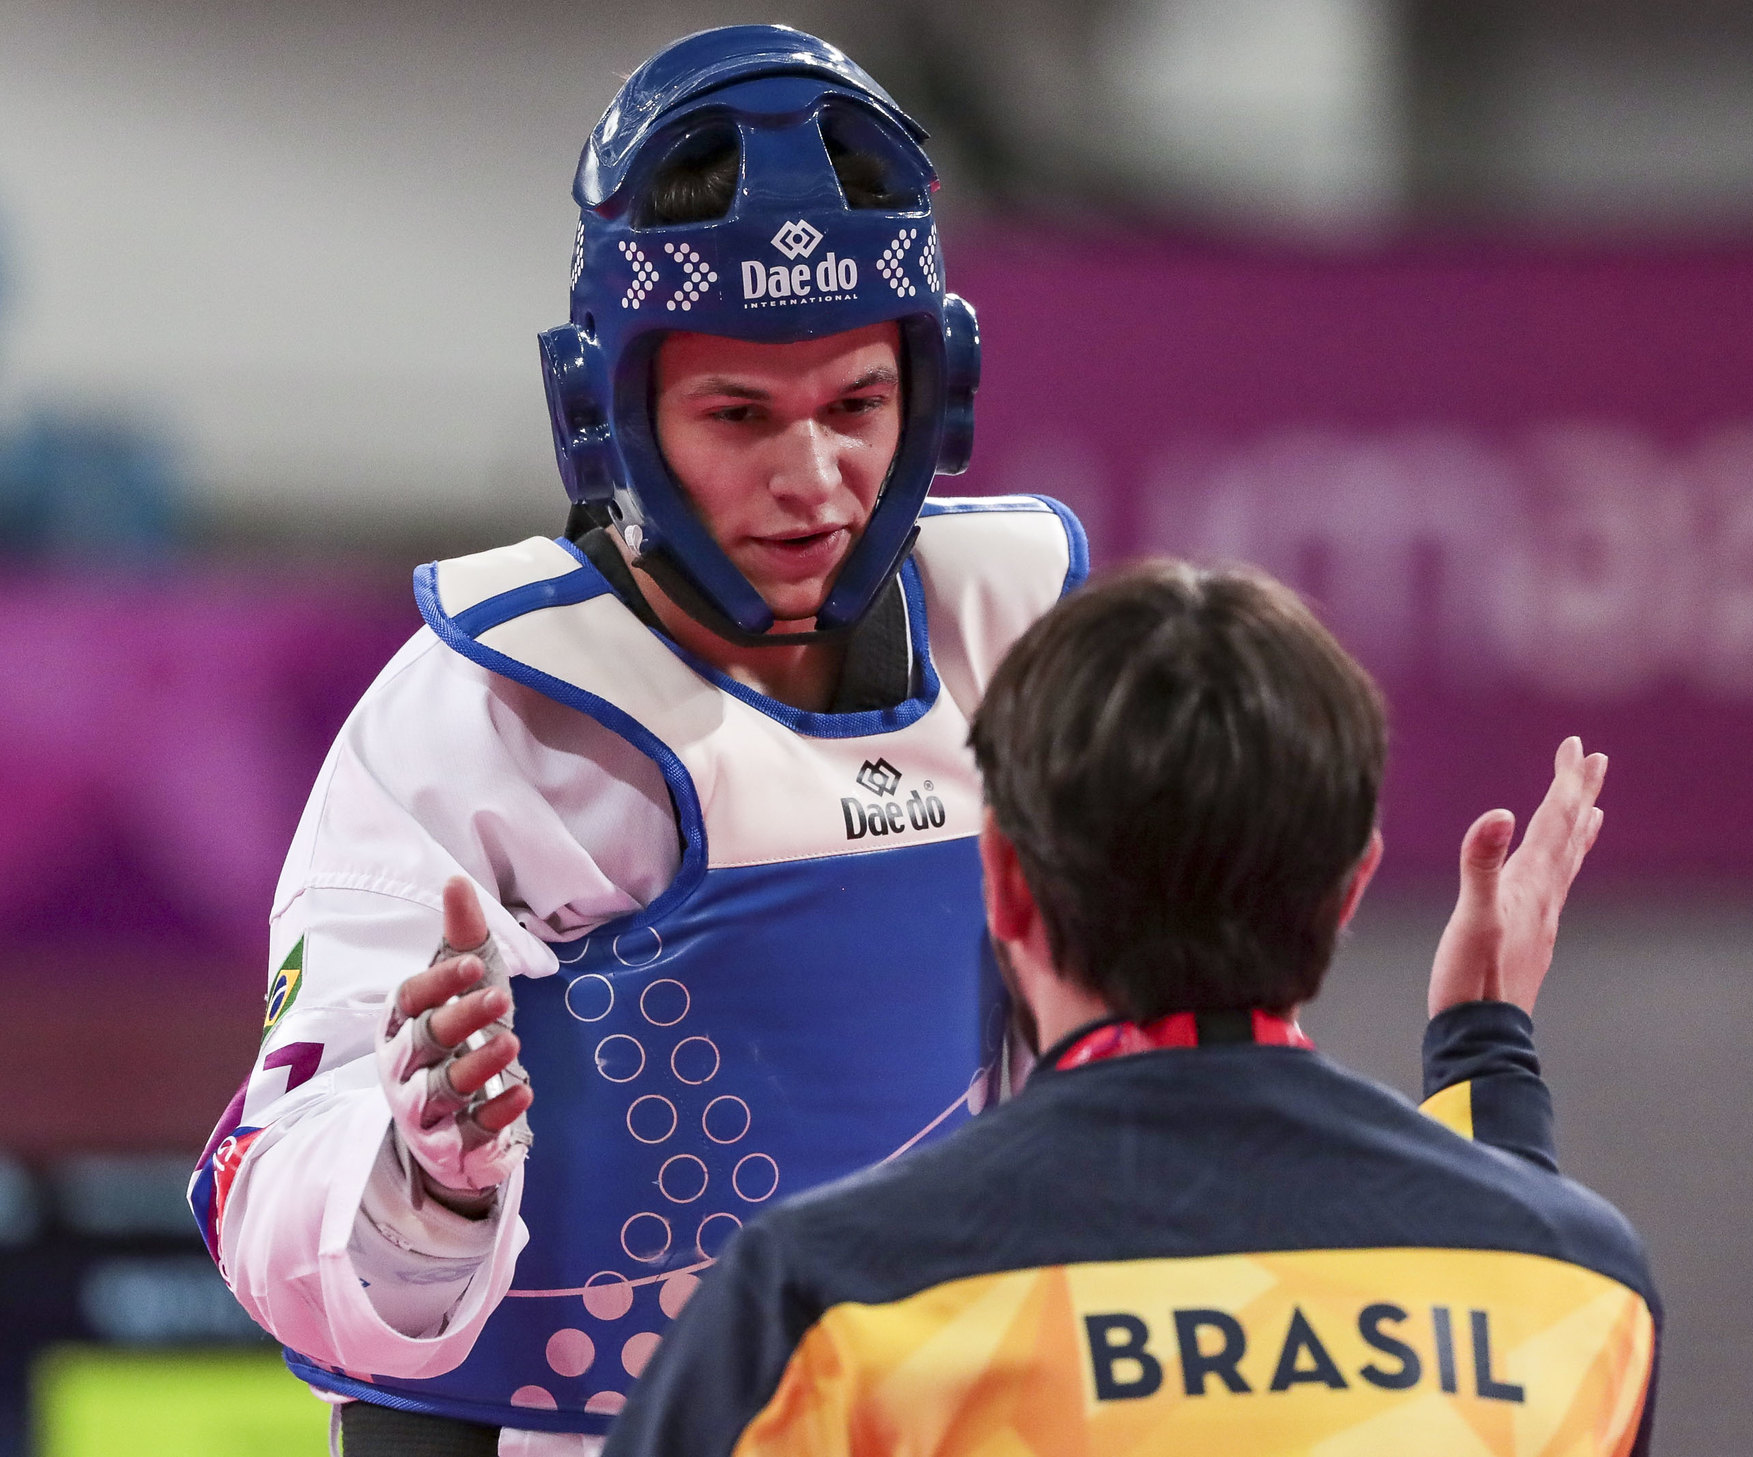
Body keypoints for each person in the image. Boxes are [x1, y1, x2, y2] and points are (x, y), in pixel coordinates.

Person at [188, 25, 1085, 1457]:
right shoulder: (479, 714)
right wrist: (429, 1176)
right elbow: (266, 1196)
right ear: (607, 413)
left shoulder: (1021, 650)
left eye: (858, 405)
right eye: (741, 414)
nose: (814, 478)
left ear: (937, 392)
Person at [605, 560, 1661, 1457]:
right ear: (1349, 887)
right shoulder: (1576, 1290)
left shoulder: (823, 1302)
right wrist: (1485, 1053)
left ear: (1006, 883)